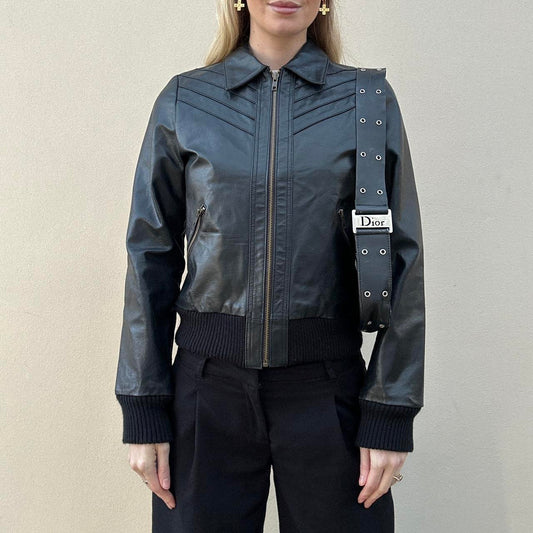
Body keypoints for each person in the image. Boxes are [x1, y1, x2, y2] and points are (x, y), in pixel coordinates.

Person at [114, 0, 425, 531]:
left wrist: (390, 410)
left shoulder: (367, 101)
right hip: (207, 394)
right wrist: (143, 405)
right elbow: (150, 255)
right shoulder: (186, 100)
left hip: (328, 391)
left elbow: (403, 259)